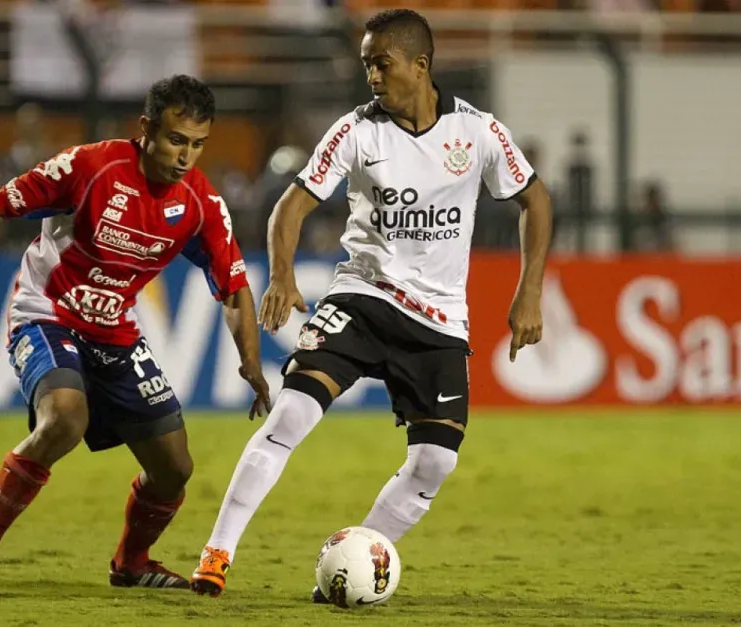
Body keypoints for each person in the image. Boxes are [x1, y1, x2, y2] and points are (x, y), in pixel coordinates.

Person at [189, 9, 553, 600]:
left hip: (438, 323)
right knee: (291, 415)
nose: (373, 78)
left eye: (381, 64)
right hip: (363, 298)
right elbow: (292, 204)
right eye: (366, 66)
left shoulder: (479, 133)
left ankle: (358, 557)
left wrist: (528, 291)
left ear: (421, 65)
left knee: (436, 462)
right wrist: (282, 274)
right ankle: (217, 552)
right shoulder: (356, 131)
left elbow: (535, 200)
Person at [0, 75, 271, 596]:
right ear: (145, 129)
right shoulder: (90, 167)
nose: (186, 156)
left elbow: (233, 289)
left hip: (114, 331)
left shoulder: (200, 203)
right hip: (46, 312)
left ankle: (131, 562)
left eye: (197, 144)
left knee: (174, 468)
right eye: (175, 140)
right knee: (66, 418)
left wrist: (250, 362)